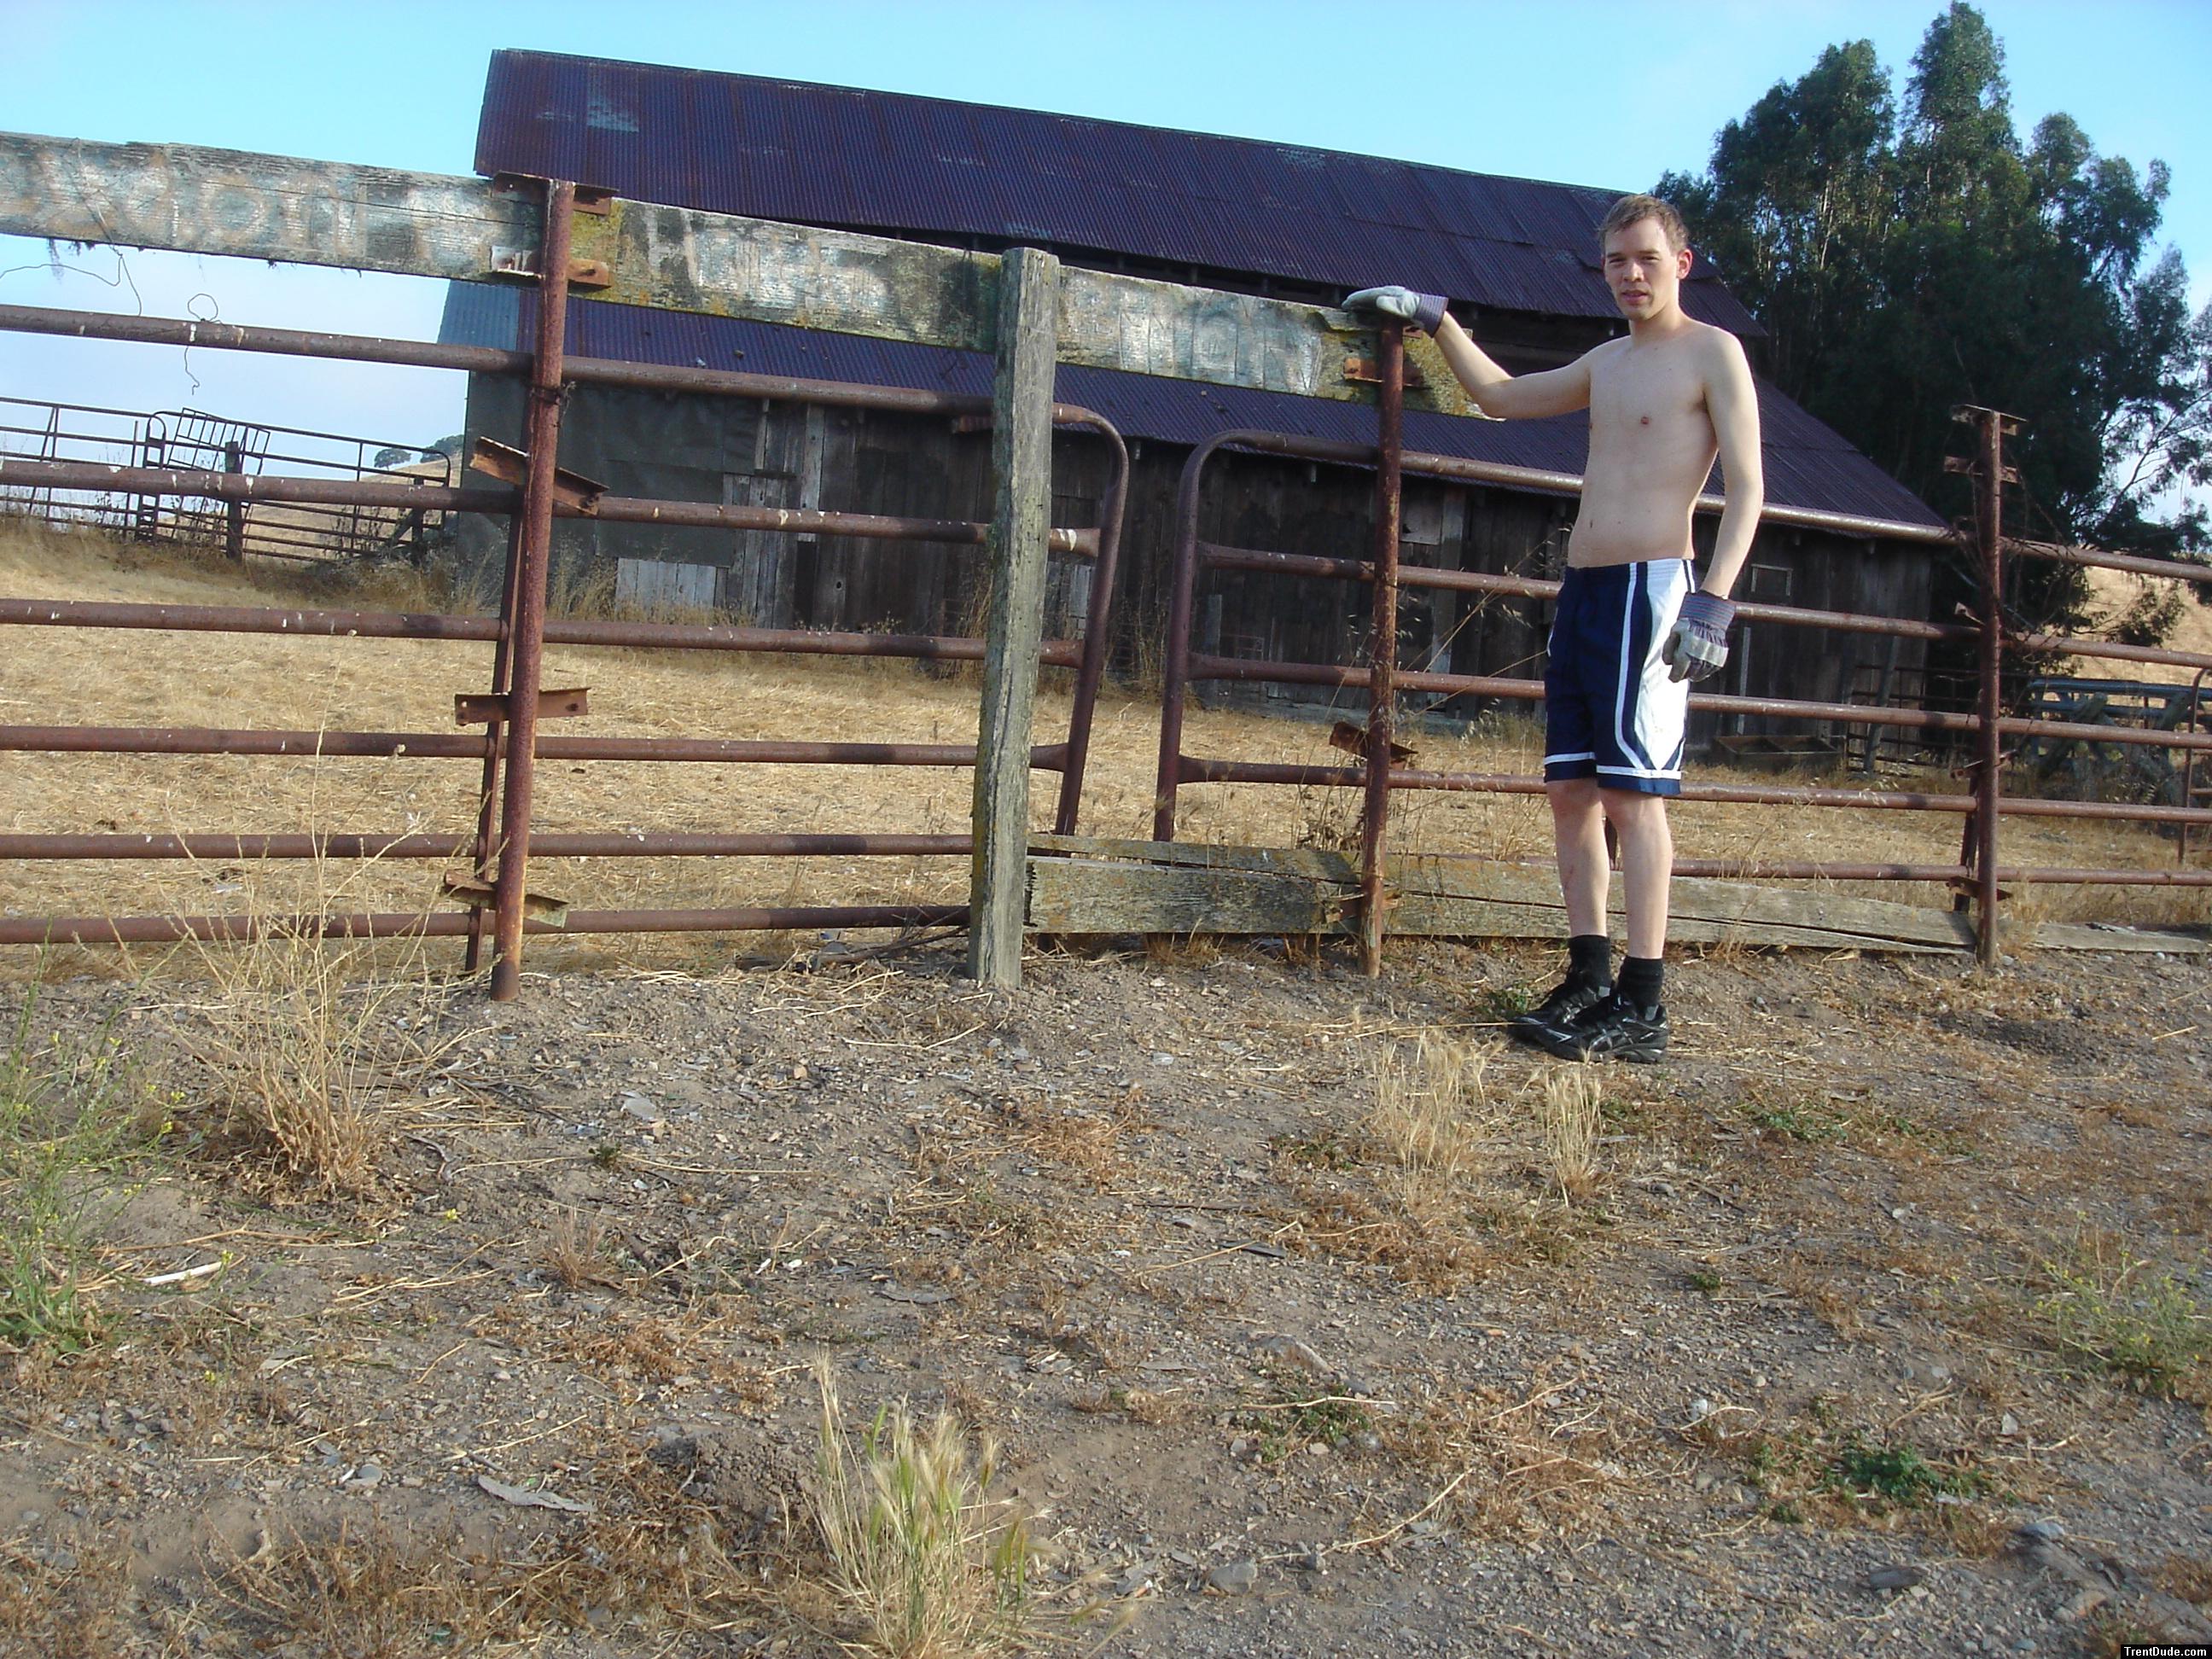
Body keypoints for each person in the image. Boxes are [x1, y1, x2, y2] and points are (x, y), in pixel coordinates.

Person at [1347, 194, 1762, 1062]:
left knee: (1634, 796)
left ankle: (1643, 1005)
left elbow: (1751, 487)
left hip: (1655, 591)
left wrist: (1712, 600)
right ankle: (1590, 975)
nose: (1632, 275)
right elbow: (1499, 397)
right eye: (1617, 261)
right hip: (1585, 589)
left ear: (1681, 263)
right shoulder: (1607, 362)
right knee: (1571, 792)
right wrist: (1436, 319)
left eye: (1647, 258)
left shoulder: (1711, 353)